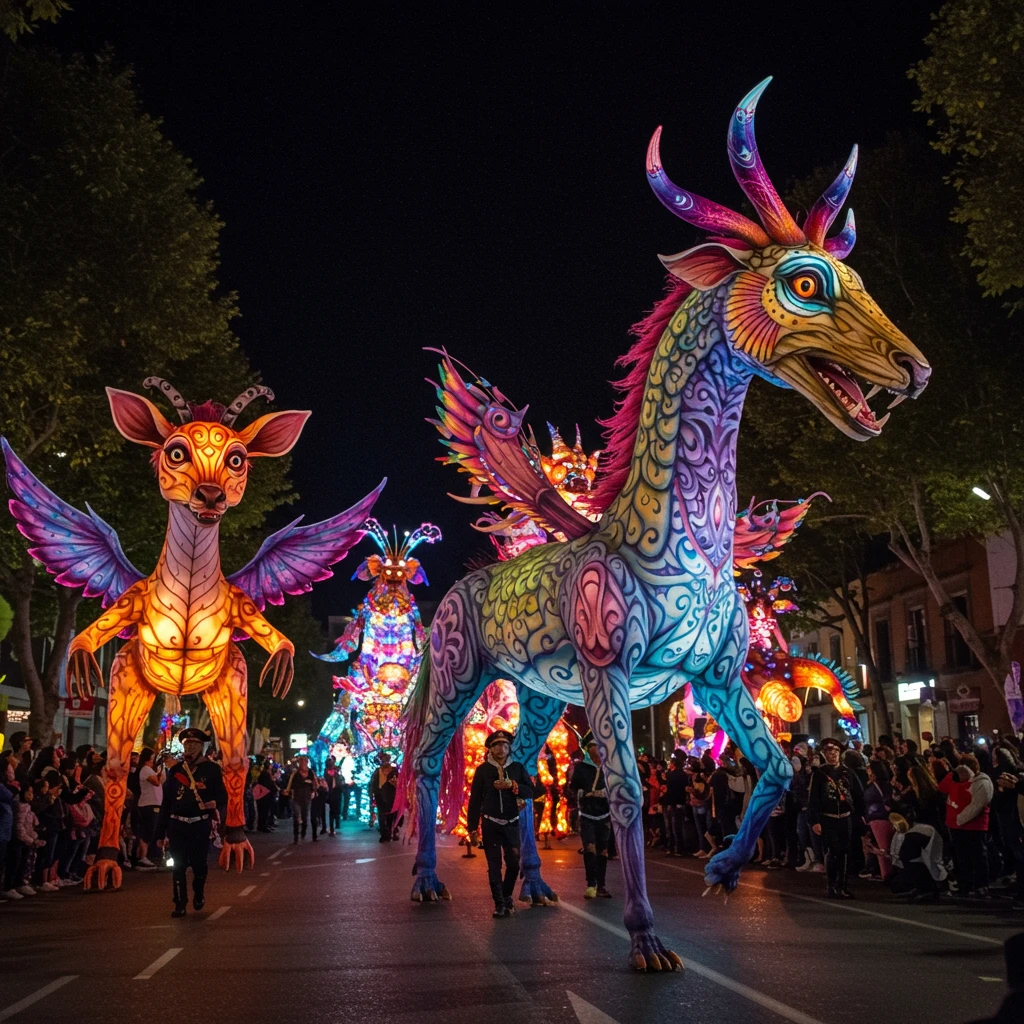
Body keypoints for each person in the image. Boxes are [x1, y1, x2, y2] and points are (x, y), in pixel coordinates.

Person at [154, 728, 227, 918]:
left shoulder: (211, 769)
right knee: (177, 866)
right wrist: (160, 834)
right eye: (187, 744)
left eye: (194, 744)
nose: (190, 747)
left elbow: (222, 796)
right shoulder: (176, 770)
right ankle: (179, 903)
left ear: (201, 747)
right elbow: (167, 803)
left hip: (199, 824)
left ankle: (199, 891)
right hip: (177, 824)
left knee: (199, 865)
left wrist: (215, 803)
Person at [467, 729, 534, 918]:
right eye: (497, 745)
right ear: (490, 749)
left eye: (505, 745)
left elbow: (531, 791)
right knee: (494, 865)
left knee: (513, 864)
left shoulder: (518, 768)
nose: (501, 748)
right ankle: (499, 904)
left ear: (509, 748)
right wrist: (472, 828)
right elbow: (475, 801)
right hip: (490, 824)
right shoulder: (482, 770)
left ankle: (506, 896)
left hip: (512, 823)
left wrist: (513, 786)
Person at [808, 737, 862, 898]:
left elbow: (858, 794)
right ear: (824, 754)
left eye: (836, 751)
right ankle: (831, 886)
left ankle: (842, 886)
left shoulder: (848, 772)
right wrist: (815, 820)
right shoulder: (819, 774)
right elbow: (814, 799)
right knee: (832, 851)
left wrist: (861, 815)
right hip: (828, 818)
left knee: (845, 852)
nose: (832, 754)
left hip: (845, 817)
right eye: (829, 752)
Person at [567, 730, 613, 899]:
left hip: (604, 813)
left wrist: (606, 793)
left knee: (603, 851)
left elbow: (618, 788)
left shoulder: (610, 767)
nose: (597, 749)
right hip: (587, 813)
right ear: (588, 748)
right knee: (590, 848)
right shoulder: (581, 767)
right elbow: (572, 788)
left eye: (600, 746)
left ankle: (601, 885)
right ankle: (591, 884)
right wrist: (585, 793)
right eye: (594, 746)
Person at [135, 748, 164, 868]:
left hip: (153, 803)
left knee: (149, 830)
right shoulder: (145, 770)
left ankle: (141, 856)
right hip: (148, 804)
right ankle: (142, 857)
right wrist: (161, 771)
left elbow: (161, 781)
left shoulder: (150, 770)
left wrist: (161, 770)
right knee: (147, 831)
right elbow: (157, 782)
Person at [283, 755, 319, 844]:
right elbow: (289, 784)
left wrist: (314, 790)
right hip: (296, 798)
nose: (303, 764)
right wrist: (287, 791)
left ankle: (303, 832)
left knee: (305, 818)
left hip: (306, 798)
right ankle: (296, 838)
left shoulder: (311, 773)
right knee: (296, 817)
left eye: (305, 762)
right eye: (301, 762)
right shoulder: (295, 773)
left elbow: (315, 784)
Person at [369, 753, 398, 842]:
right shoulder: (377, 771)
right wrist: (371, 794)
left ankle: (390, 831)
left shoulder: (394, 771)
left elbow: (398, 783)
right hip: (380, 796)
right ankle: (384, 834)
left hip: (391, 795)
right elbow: (372, 784)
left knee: (391, 815)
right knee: (382, 815)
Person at [323, 756, 344, 835]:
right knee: (331, 811)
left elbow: (341, 780)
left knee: (337, 809)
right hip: (330, 793)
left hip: (337, 792)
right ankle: (331, 828)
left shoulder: (337, 771)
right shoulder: (326, 773)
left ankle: (336, 824)